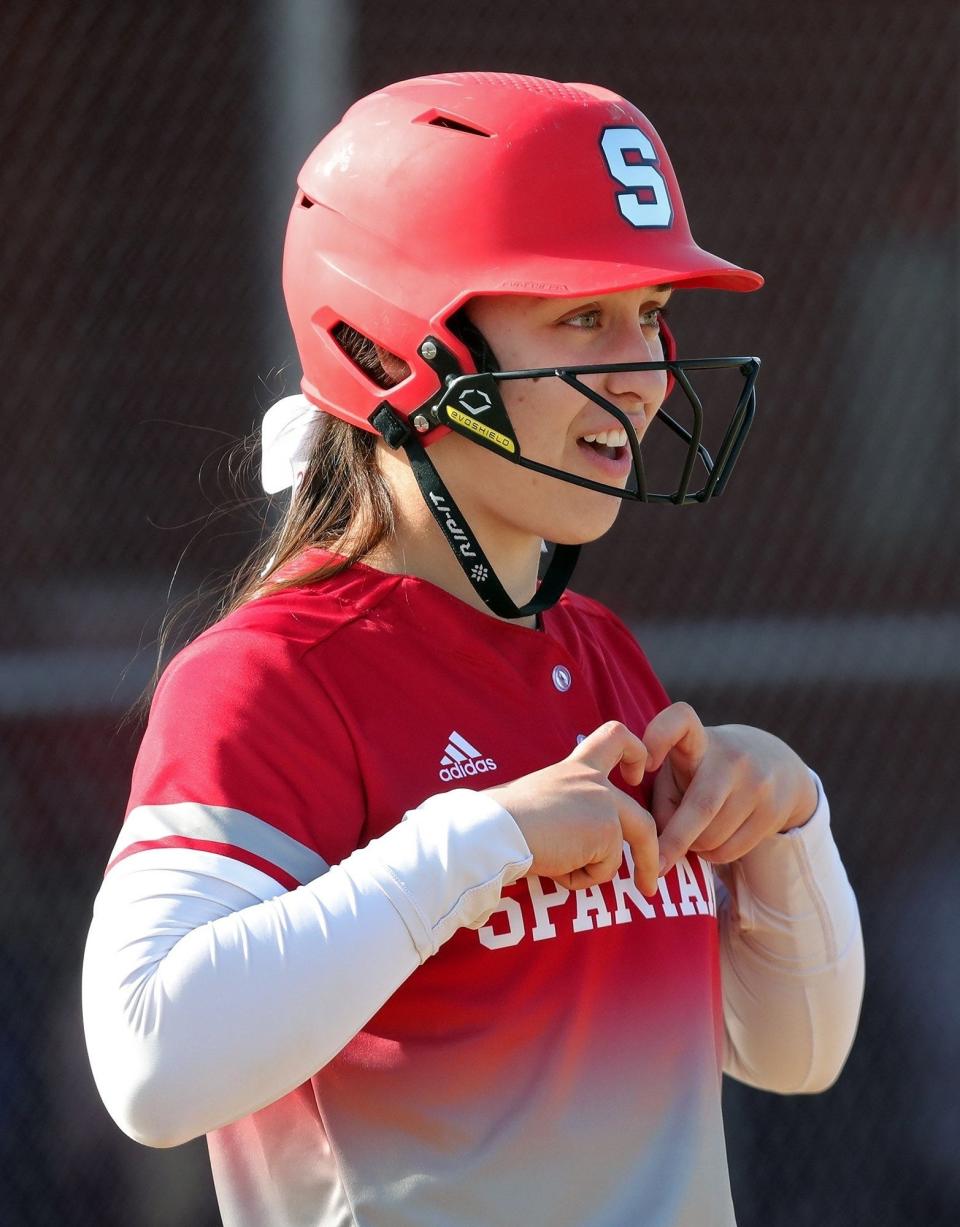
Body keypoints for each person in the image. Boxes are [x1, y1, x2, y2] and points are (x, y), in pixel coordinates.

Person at [82, 72, 864, 1227]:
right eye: (582, 318)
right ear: (403, 345)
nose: (642, 377)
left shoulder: (597, 653)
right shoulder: (269, 680)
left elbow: (793, 1054)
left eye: (650, 315)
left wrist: (790, 829)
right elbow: (149, 1064)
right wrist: (478, 841)